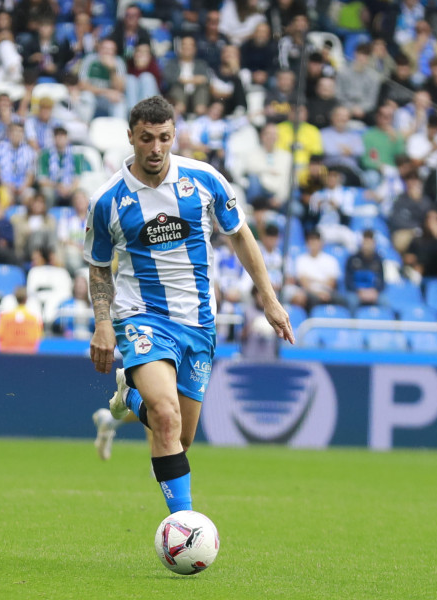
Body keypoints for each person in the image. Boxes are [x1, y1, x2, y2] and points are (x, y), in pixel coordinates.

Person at [84, 96, 294, 515]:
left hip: (198, 323)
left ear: (174, 135)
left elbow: (239, 235)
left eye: (164, 137)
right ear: (131, 137)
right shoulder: (108, 200)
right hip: (142, 317)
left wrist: (269, 300)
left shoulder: (204, 180)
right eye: (147, 138)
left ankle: (128, 400)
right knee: (165, 416)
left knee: (180, 437)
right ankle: (183, 525)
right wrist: (103, 322)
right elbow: (99, 268)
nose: (156, 147)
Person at [0, 285, 43, 353]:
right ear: (26, 299)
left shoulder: (5, 318)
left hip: (8, 355)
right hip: (28, 356)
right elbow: (37, 337)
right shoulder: (33, 319)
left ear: (15, 298)